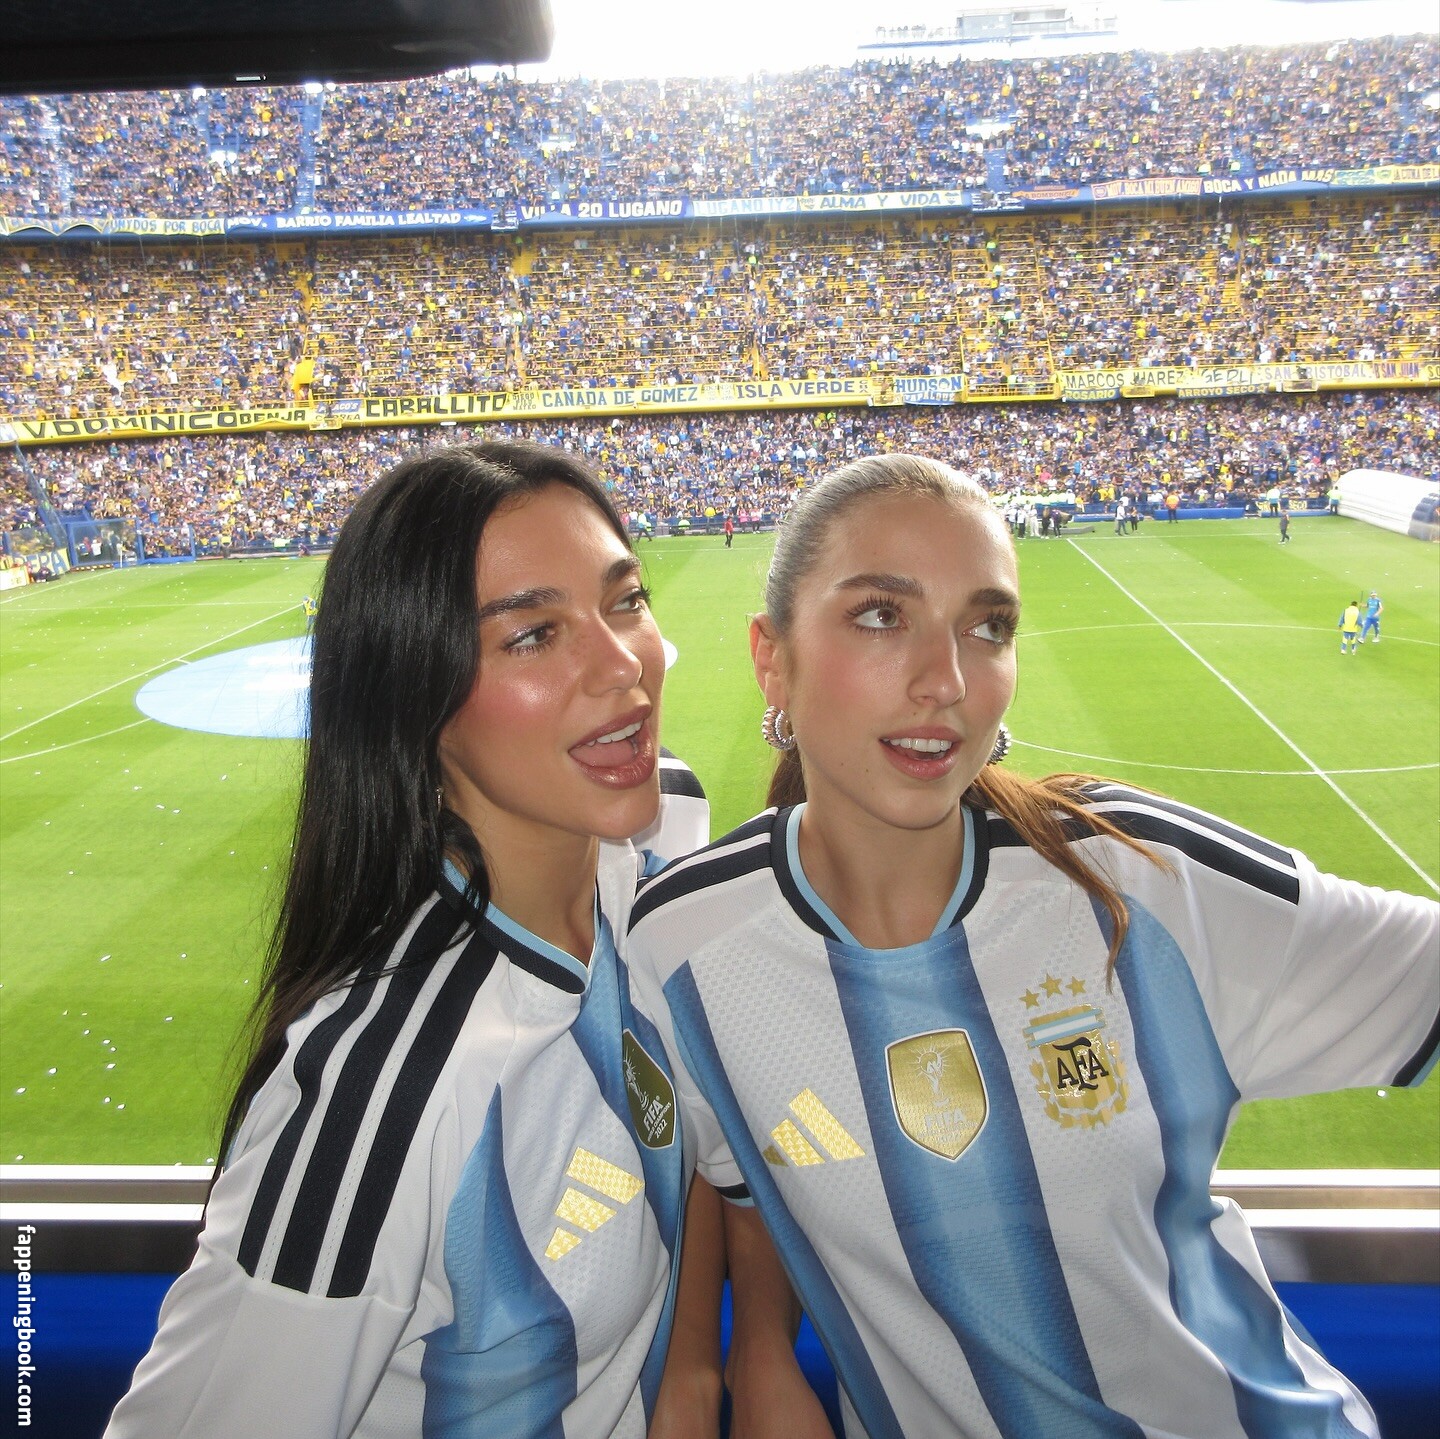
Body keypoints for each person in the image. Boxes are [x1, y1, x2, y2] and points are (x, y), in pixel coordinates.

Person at [626, 454, 1439, 1439]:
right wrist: (758, 1353)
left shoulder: (1133, 877)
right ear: (773, 657)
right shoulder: (683, 949)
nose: (947, 680)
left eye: (989, 626)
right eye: (881, 614)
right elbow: (744, 1172)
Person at [105, 442, 719, 1439]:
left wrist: (692, 1378)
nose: (624, 664)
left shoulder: (664, 830)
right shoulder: (383, 1091)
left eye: (627, 600)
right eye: (533, 634)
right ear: (414, 693)